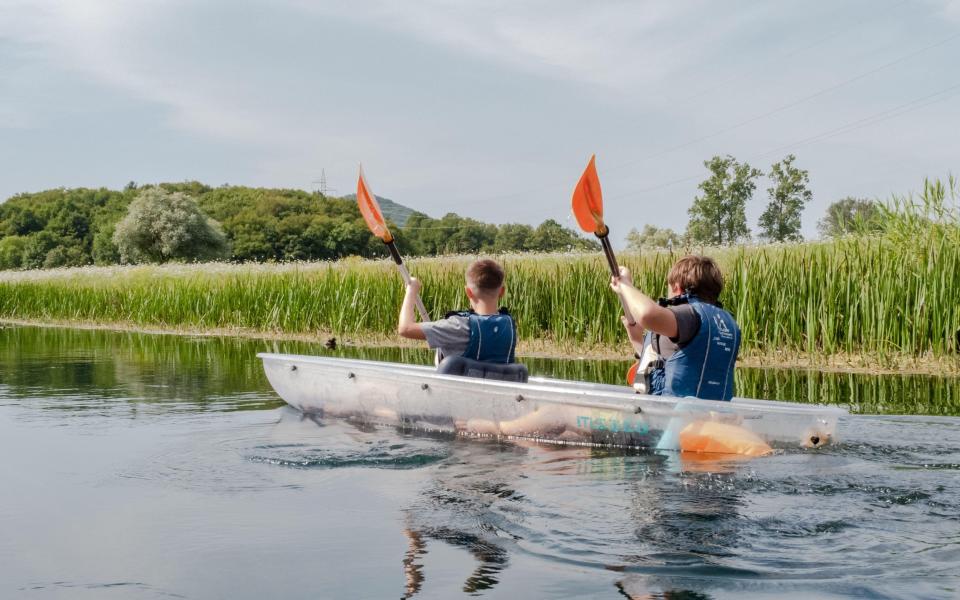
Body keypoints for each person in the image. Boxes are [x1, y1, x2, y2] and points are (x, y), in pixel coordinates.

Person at [610, 255, 740, 401]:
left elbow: (646, 314)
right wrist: (636, 337)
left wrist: (624, 285)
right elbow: (679, 360)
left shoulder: (689, 315)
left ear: (676, 287)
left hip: (676, 416)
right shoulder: (728, 322)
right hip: (710, 414)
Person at [398, 258, 517, 365]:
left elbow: (405, 329)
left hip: (461, 390)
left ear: (468, 292)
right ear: (502, 292)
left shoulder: (458, 326)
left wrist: (411, 291)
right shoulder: (509, 326)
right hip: (495, 388)